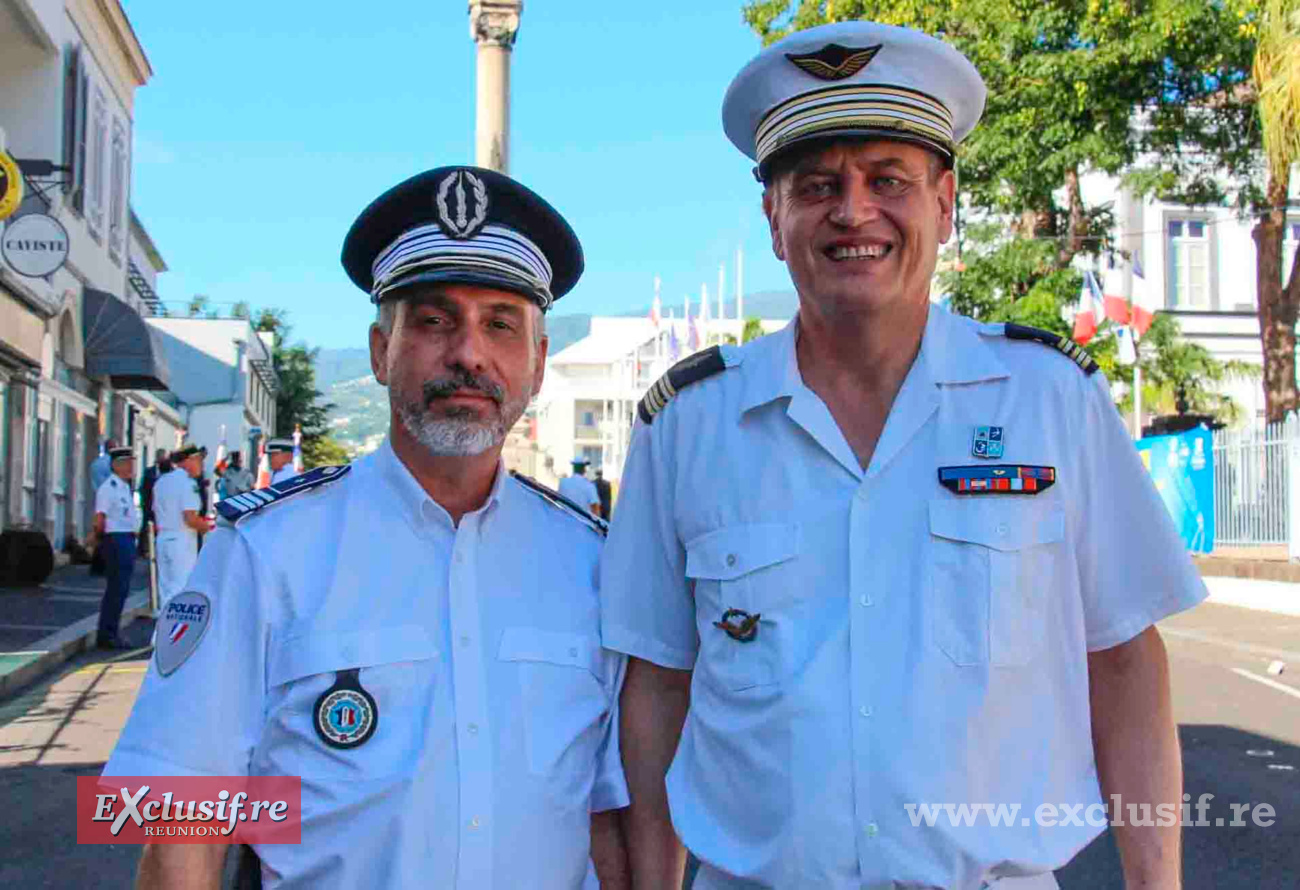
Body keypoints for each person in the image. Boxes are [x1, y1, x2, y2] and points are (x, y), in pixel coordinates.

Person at [600, 22, 1205, 890]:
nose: (854, 212)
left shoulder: (1049, 401)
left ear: (946, 205)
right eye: (816, 187)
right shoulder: (688, 427)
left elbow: (1123, 661)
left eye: (889, 180)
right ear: (774, 219)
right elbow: (657, 687)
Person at [104, 166, 629, 889]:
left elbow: (604, 818)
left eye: (500, 323)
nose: (469, 354)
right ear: (382, 350)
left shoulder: (592, 564)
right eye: (435, 320)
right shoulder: (266, 552)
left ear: (537, 364)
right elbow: (182, 818)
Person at [90, 447, 140, 649]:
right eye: (127, 463)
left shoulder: (124, 487)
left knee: (122, 589)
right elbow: (100, 518)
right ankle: (107, 635)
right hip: (115, 540)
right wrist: (99, 540)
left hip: (127, 539)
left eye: (132, 463)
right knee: (115, 590)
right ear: (116, 465)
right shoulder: (108, 488)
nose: (131, 467)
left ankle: (112, 631)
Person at [150, 442, 209, 610]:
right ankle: (175, 634)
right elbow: (190, 518)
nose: (201, 465)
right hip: (181, 541)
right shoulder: (187, 483)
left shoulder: (162, 481)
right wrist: (209, 529)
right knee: (182, 590)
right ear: (188, 461)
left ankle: (161, 634)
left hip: (163, 538)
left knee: (166, 591)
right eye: (199, 460)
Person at [87, 438, 116, 576]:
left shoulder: (95, 464)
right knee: (108, 535)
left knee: (99, 534)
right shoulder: (111, 465)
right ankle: (103, 565)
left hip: (97, 500)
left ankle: (96, 565)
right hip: (109, 503)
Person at [137, 448, 169, 556]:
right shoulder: (149, 472)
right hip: (149, 504)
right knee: (146, 526)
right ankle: (142, 549)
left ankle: (157, 549)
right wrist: (144, 503)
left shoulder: (169, 473)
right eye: (160, 457)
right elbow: (143, 488)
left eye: (163, 458)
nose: (161, 460)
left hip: (162, 506)